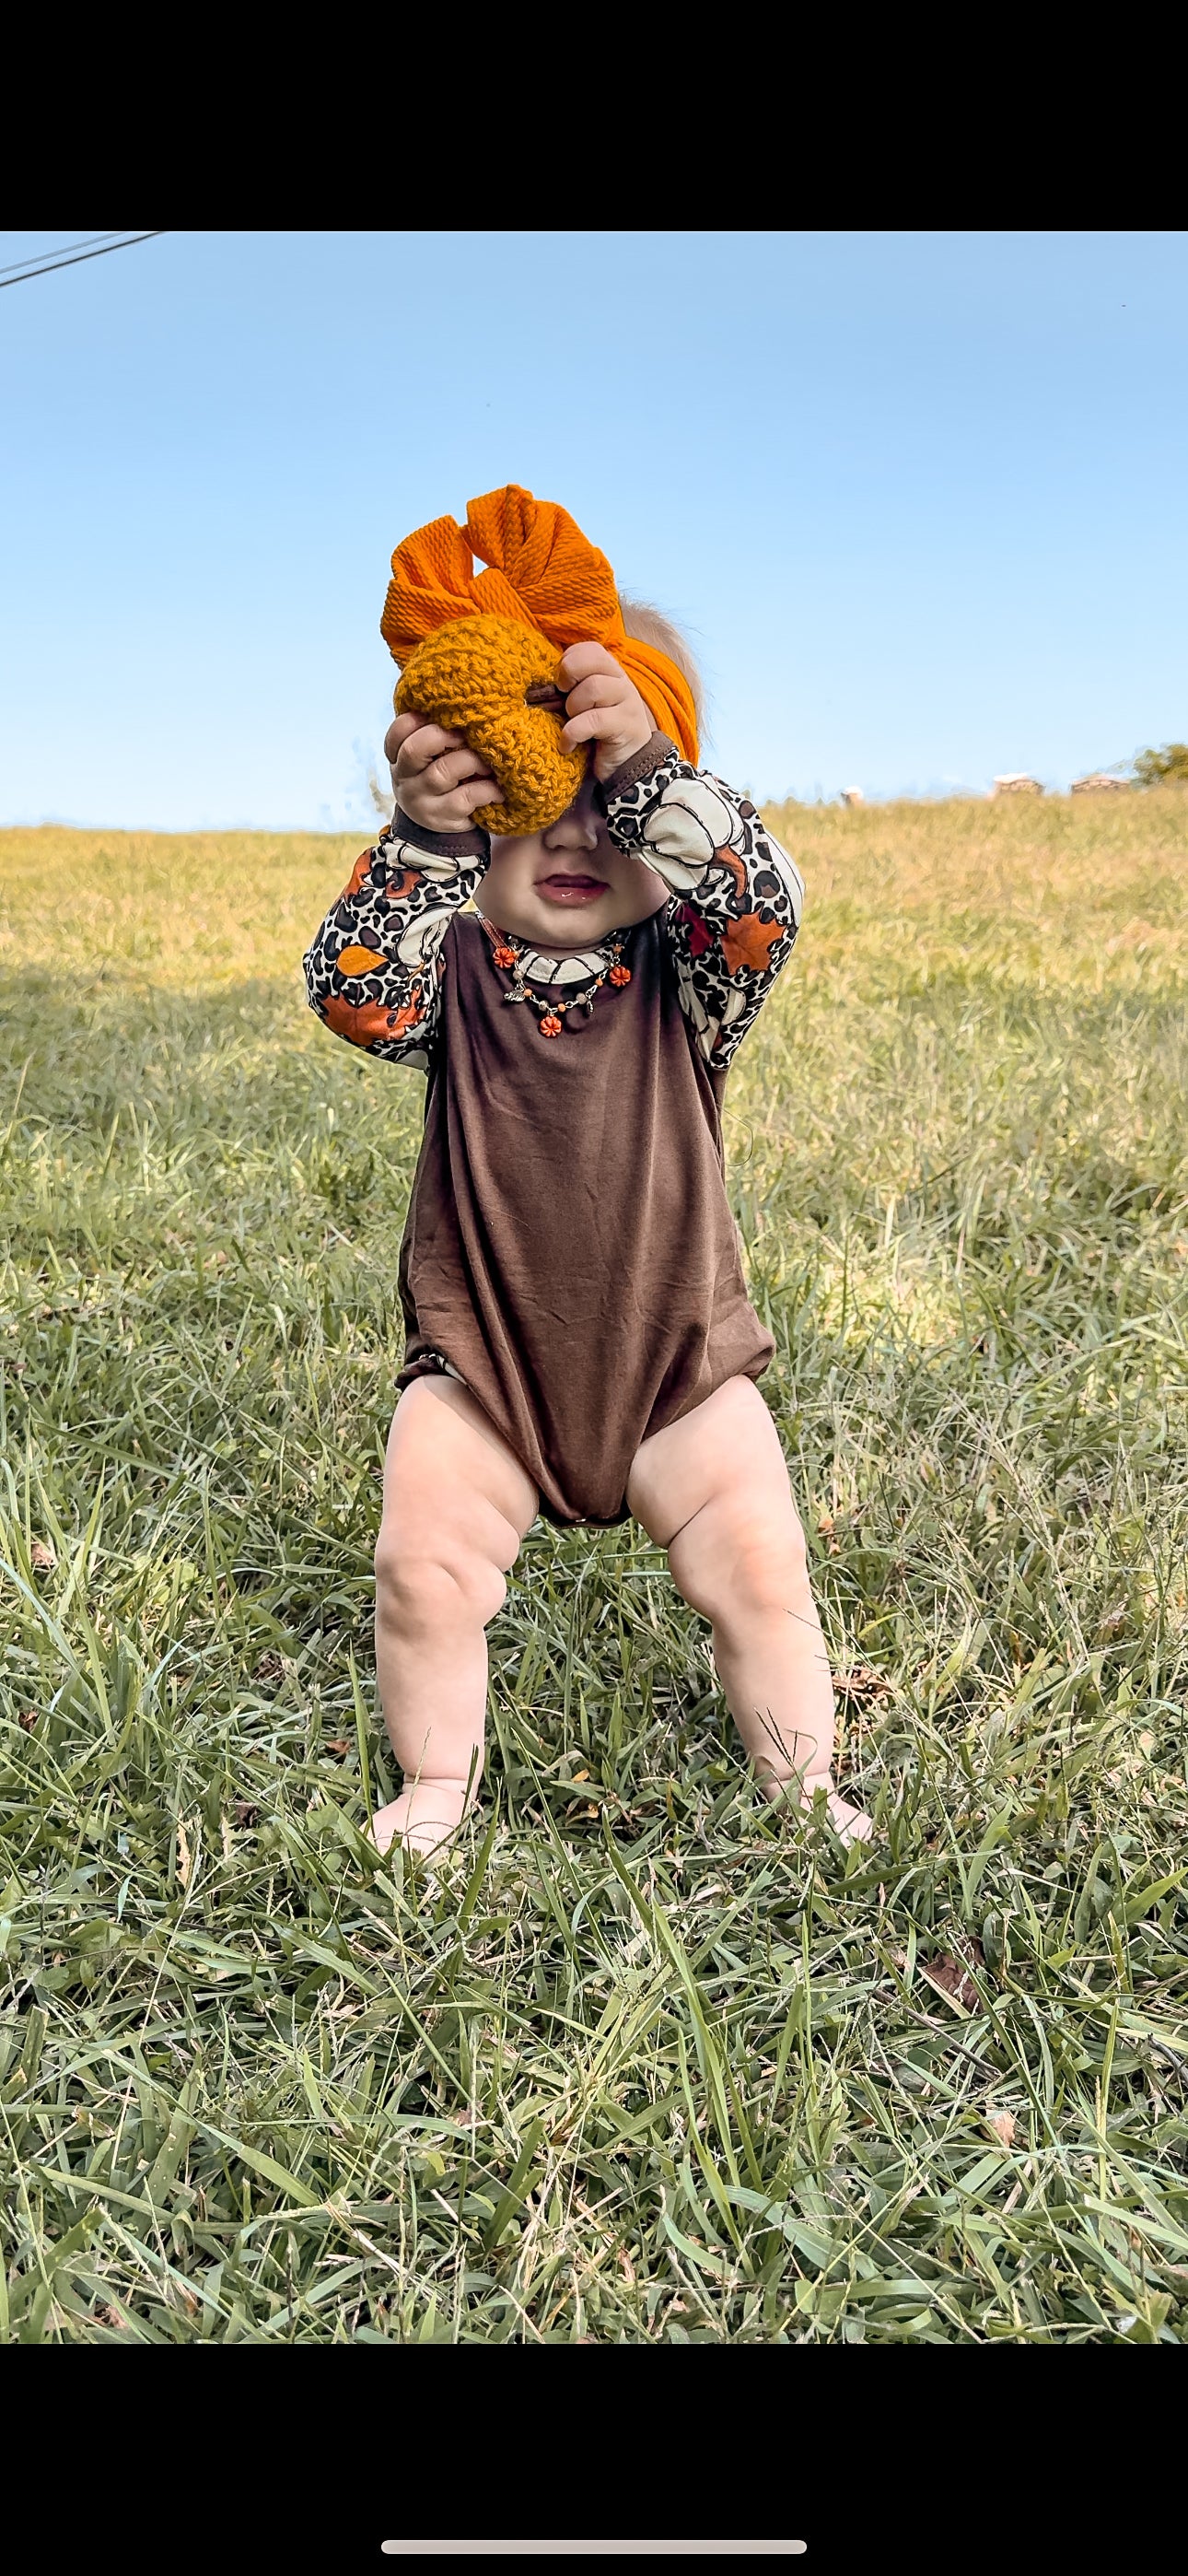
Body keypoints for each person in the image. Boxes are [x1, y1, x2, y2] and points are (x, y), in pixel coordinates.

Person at [303, 486, 870, 1858]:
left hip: (678, 1367)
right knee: (422, 1573)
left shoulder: (691, 979)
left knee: (760, 1574)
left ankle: (801, 1788)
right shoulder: (459, 973)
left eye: (614, 812)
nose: (574, 840)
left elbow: (757, 903)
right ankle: (435, 1787)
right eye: (533, 801)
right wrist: (427, 836)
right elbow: (354, 993)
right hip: (483, 1365)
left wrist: (643, 771)